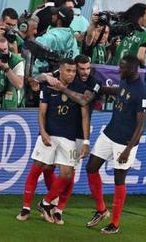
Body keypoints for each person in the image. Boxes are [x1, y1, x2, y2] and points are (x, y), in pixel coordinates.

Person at [85, 55, 146, 234]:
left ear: (133, 70)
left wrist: (128, 149)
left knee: (119, 180)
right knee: (91, 168)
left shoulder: (141, 90)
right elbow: (117, 91)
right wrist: (99, 89)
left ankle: (115, 224)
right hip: (110, 132)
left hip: (125, 142)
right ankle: (102, 210)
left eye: (122, 68)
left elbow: (141, 125)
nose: (119, 71)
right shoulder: (125, 81)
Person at [32, 59, 90, 224]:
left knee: (67, 174)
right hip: (53, 133)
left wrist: (86, 141)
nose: (71, 74)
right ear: (61, 71)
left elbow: (85, 114)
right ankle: (38, 206)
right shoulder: (51, 83)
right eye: (68, 71)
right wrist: (43, 131)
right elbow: (36, 79)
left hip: (73, 137)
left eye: (74, 71)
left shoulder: (81, 88)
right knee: (45, 168)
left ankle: (47, 203)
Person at [32, 7, 79, 76]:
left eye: (55, 15)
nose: (52, 16)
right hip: (62, 79)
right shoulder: (73, 40)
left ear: (59, 21)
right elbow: (75, 59)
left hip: (39, 77)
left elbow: (31, 53)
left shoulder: (48, 38)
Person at [109, 3, 146, 67]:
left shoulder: (120, 28)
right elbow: (140, 57)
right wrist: (144, 64)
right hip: (128, 72)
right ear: (140, 17)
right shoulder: (145, 36)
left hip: (111, 69)